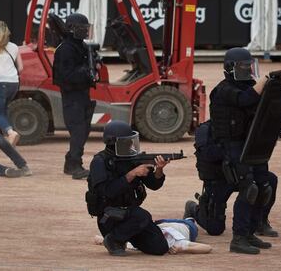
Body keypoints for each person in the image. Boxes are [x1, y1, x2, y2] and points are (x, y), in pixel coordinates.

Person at [184, 47, 281, 255]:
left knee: (263, 184)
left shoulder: (250, 86)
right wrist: (266, 80)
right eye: (243, 67)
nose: (248, 70)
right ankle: (233, 236)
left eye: (250, 66)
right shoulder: (223, 90)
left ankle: (248, 232)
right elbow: (245, 99)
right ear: (230, 68)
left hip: (250, 144)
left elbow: (267, 105)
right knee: (219, 222)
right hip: (228, 150)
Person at [86, 120, 171, 256]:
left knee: (160, 247)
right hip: (109, 217)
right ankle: (113, 239)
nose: (131, 144)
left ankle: (124, 238)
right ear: (114, 142)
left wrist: (159, 170)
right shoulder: (100, 162)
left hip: (131, 217)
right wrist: (132, 174)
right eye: (127, 141)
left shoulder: (132, 159)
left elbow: (154, 185)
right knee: (142, 216)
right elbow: (107, 192)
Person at [184, 120, 279, 241]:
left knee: (269, 180)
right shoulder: (206, 129)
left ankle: (261, 220)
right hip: (219, 179)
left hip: (242, 174)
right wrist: (231, 148)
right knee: (215, 229)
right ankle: (193, 208)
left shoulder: (243, 127)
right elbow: (207, 154)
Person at [52, 13, 98, 180]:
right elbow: (65, 76)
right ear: (72, 29)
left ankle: (71, 162)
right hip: (72, 97)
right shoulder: (65, 49)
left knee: (84, 130)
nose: (86, 32)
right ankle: (74, 165)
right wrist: (86, 72)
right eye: (82, 29)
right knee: (78, 131)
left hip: (83, 94)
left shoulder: (81, 46)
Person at [94, 217, 212, 255]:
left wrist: (103, 239)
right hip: (184, 227)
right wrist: (183, 249)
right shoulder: (146, 241)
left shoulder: (173, 243)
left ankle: (190, 214)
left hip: (182, 224)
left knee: (190, 220)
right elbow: (207, 247)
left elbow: (208, 248)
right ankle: (189, 216)